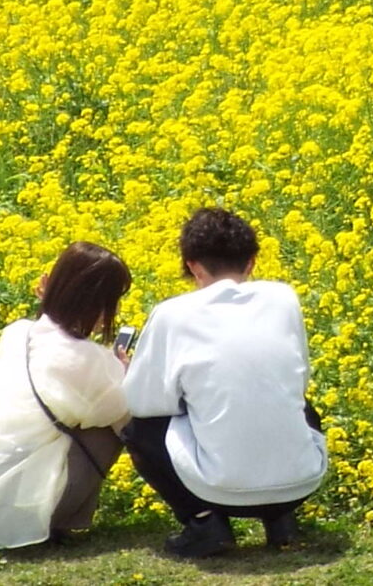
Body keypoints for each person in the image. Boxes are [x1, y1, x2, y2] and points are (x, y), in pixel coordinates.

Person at [122, 208, 329, 558]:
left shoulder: (172, 314)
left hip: (216, 489)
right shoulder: (283, 298)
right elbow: (299, 377)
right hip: (300, 482)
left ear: (193, 266)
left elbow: (145, 404)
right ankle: (282, 521)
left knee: (139, 431)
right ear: (251, 262)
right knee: (298, 404)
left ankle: (205, 525)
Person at [0, 241, 134, 550]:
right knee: (112, 427)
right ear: (98, 304)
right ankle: (53, 523)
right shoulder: (85, 358)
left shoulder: (17, 332)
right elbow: (129, 410)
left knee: (74, 418)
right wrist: (125, 372)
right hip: (15, 520)